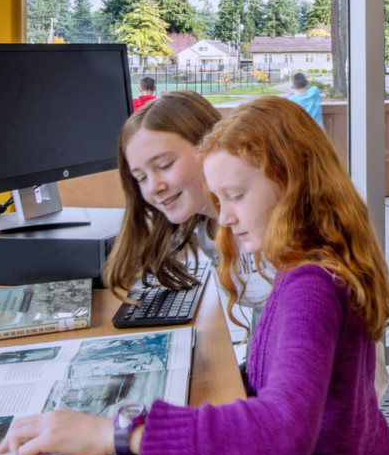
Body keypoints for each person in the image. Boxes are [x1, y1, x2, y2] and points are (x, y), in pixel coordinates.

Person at [0, 96, 389, 455]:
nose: (222, 218)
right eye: (219, 200)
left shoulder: (310, 286)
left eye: (235, 195)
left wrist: (115, 434)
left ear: (291, 183)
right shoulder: (302, 267)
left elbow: (284, 433)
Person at [105, 91, 270, 326]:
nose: (154, 187)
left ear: (211, 145)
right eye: (141, 178)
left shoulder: (269, 225)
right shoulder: (205, 229)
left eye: (165, 165)